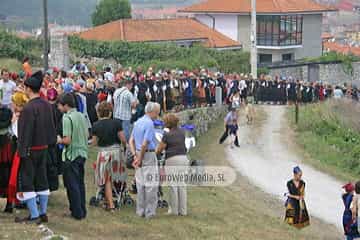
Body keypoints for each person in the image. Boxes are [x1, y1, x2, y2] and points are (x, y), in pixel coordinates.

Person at [15, 71, 56, 224]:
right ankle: (43, 212)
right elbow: (52, 127)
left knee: (27, 182)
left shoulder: (28, 109)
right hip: (44, 147)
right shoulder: (47, 105)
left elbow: (24, 132)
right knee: (42, 180)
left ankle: (34, 215)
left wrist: (21, 150)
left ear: (28, 89)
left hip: (30, 149)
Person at [57, 93, 89, 220]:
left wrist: (59, 140)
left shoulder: (66, 118)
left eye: (59, 105)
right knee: (80, 183)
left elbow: (67, 140)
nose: (58, 108)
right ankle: (82, 210)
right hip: (82, 153)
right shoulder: (81, 115)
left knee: (71, 185)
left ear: (65, 105)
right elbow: (86, 134)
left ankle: (76, 212)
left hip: (71, 155)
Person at [91, 102, 126, 211]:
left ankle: (110, 204)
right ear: (110, 112)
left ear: (99, 113)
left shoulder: (96, 125)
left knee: (106, 179)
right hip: (116, 151)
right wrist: (124, 148)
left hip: (104, 153)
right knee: (117, 176)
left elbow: (94, 143)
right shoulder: (116, 123)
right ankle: (117, 196)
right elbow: (123, 139)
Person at [129, 102, 160, 218]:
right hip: (147, 154)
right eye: (157, 112)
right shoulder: (149, 124)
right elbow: (145, 143)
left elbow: (131, 140)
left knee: (140, 183)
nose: (158, 114)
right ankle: (150, 212)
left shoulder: (138, 122)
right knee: (151, 184)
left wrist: (134, 156)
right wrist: (140, 158)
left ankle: (140, 210)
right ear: (152, 112)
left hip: (137, 152)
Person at [156, 114, 189, 216]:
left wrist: (155, 153)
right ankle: (183, 211)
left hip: (172, 159)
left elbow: (160, 149)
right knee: (182, 185)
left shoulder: (167, 135)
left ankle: (174, 210)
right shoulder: (182, 132)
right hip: (183, 158)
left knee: (173, 185)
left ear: (168, 123)